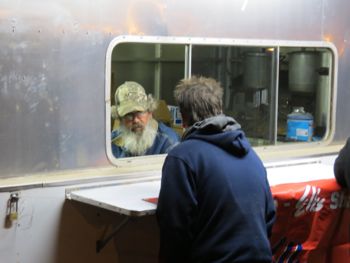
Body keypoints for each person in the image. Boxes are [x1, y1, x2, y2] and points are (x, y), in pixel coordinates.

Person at [156, 76, 276, 263]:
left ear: (183, 116)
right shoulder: (250, 154)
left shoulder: (183, 157)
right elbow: (269, 216)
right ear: (219, 108)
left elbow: (174, 229)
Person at [111, 81, 179, 158]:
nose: (136, 120)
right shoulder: (112, 141)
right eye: (129, 115)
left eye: (140, 112)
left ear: (150, 112)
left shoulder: (168, 141)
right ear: (120, 119)